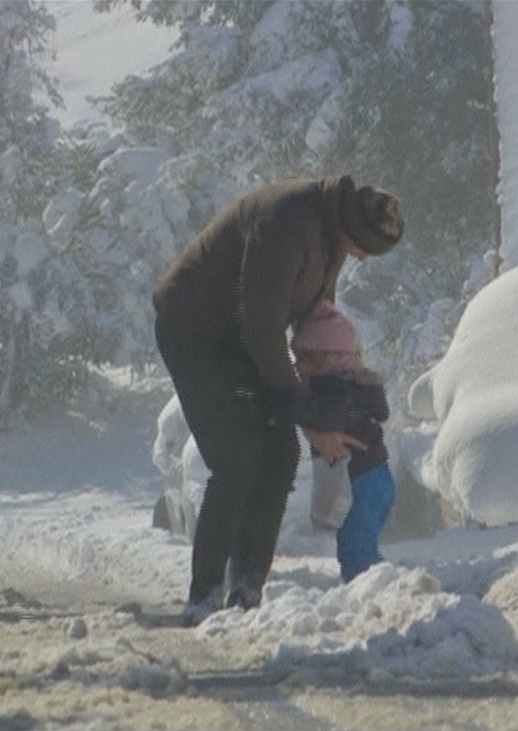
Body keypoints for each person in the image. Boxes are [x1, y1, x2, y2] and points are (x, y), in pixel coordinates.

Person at [152, 174, 404, 626]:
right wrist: (309, 417)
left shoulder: (333, 238)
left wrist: (331, 407)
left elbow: (313, 331)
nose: (363, 258)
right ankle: (204, 596)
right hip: (195, 331)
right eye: (365, 248)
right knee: (237, 458)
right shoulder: (286, 224)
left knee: (281, 453)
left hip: (243, 340)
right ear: (353, 229)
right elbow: (263, 328)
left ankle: (247, 587)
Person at [291, 301, 396, 583]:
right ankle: (379, 584)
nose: (296, 365)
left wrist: (293, 401)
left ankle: (378, 588)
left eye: (302, 357)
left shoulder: (332, 388)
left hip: (359, 483)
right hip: (378, 478)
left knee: (356, 553)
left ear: (326, 359)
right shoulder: (360, 385)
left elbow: (326, 417)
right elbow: (380, 412)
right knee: (359, 545)